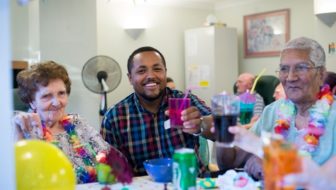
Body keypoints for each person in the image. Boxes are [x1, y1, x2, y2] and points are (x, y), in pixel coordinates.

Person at [217, 37, 336, 180]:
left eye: (301, 68)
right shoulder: (272, 112)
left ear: (321, 74)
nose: (291, 77)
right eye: (284, 69)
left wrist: (271, 162)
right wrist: (223, 132)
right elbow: (230, 162)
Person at [101, 46, 212, 176]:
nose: (151, 76)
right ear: (130, 78)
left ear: (165, 72)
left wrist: (201, 124)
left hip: (191, 183)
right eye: (142, 71)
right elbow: (110, 170)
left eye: (157, 69)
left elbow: (221, 127)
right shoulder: (115, 117)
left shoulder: (184, 101)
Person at [12, 61, 130, 184]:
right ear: (32, 101)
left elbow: (114, 159)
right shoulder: (26, 131)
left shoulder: (78, 123)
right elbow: (19, 177)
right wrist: (17, 133)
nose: (57, 102)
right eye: (46, 96)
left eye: (61, 93)